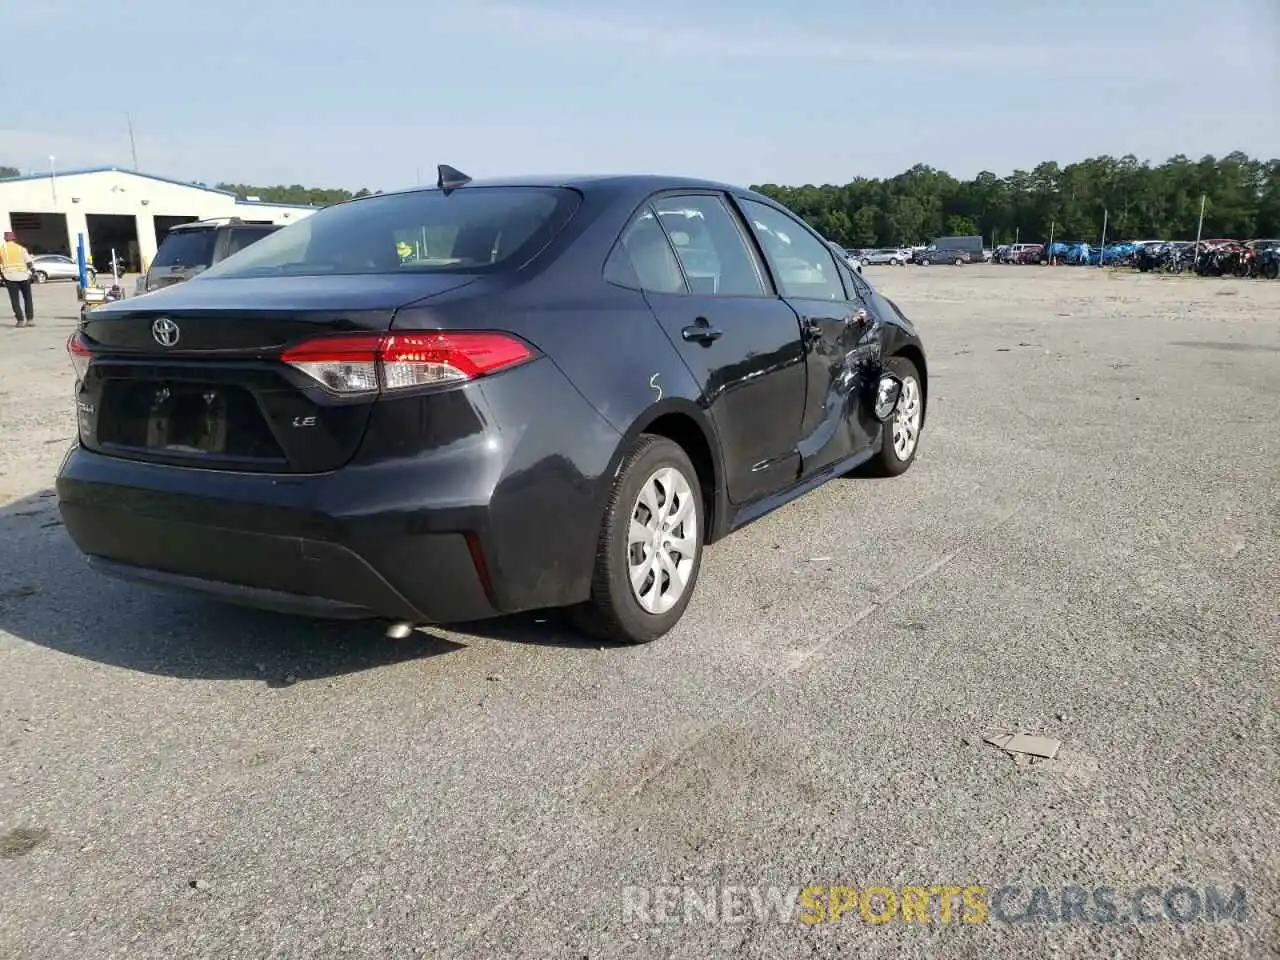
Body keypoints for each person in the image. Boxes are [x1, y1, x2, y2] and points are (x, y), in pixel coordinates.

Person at [0, 231, 35, 327]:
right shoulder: (21, 249)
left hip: (10, 277)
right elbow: (29, 262)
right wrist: (33, 272)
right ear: (14, 239)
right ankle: (30, 320)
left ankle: (20, 321)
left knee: (15, 300)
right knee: (28, 298)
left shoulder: (1, 249)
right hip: (23, 276)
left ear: (5, 239)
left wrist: (2, 276)